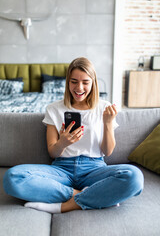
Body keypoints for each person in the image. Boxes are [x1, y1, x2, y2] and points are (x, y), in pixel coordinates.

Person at [3, 57, 144, 214]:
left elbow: (107, 151)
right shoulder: (54, 109)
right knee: (13, 177)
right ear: (67, 82)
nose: (79, 88)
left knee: (134, 177)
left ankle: (65, 205)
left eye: (85, 82)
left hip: (94, 168)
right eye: (74, 81)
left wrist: (108, 123)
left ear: (93, 82)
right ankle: (92, 196)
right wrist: (62, 143)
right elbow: (52, 152)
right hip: (62, 169)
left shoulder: (104, 107)